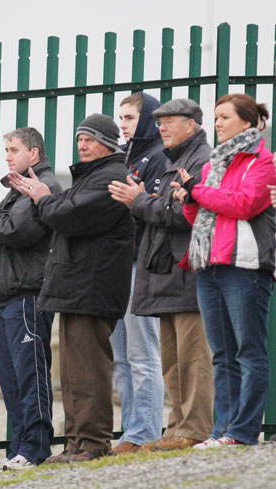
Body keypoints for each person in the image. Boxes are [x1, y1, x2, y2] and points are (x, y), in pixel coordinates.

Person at [9, 113, 135, 462]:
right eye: (80, 138)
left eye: (90, 139)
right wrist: (50, 201)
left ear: (108, 144)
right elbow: (65, 210)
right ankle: (77, 442)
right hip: (79, 288)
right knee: (74, 373)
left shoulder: (111, 177)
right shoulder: (92, 176)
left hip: (92, 288)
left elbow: (70, 215)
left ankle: (93, 443)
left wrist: (43, 197)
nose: (82, 144)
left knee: (90, 370)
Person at [109, 98, 214, 450]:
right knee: (171, 357)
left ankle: (194, 428)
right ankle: (176, 428)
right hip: (165, 270)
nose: (162, 127)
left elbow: (183, 213)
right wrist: (147, 201)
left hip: (186, 268)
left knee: (191, 356)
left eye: (169, 121)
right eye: (160, 121)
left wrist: (139, 200)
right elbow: (167, 207)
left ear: (191, 125)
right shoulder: (175, 160)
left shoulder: (199, 160)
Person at [172, 93, 276, 448]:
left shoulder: (262, 162)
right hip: (208, 267)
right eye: (215, 118)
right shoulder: (210, 166)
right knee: (222, 355)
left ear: (247, 122)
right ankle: (222, 431)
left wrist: (197, 192)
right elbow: (200, 217)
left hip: (244, 268)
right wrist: (189, 200)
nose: (217, 124)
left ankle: (243, 432)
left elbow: (245, 205)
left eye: (224, 117)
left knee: (249, 352)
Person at [0, 127, 62, 472]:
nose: (7, 156)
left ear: (34, 154)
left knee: (30, 374)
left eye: (13, 149)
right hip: (6, 295)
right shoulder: (15, 190)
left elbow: (16, 232)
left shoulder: (43, 186)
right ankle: (18, 448)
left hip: (28, 294)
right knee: (11, 379)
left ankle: (36, 447)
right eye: (5, 149)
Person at [109, 92, 166, 454]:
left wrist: (138, 202)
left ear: (145, 118)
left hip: (139, 265)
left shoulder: (158, 157)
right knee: (122, 356)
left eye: (129, 118)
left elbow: (156, 212)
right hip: (116, 265)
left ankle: (145, 431)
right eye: (121, 118)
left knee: (143, 353)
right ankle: (131, 430)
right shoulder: (125, 158)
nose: (123, 125)